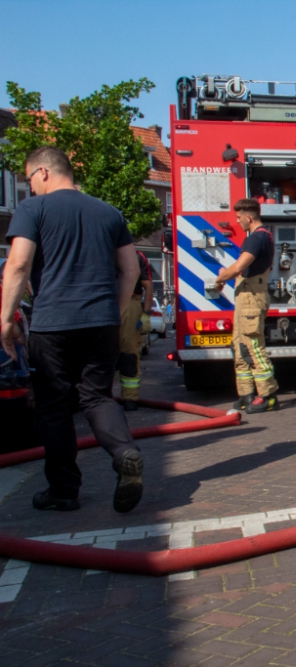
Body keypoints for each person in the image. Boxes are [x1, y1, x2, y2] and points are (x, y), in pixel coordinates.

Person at [0, 146, 144, 513]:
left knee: (54, 407)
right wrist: (113, 310)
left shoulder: (34, 209)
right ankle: (124, 451)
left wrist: (6, 318)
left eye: (29, 179)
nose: (29, 188)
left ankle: (64, 490)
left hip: (54, 324)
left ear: (44, 172)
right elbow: (131, 270)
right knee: (97, 396)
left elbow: (18, 265)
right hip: (101, 322)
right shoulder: (110, 212)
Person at [215, 198, 280, 413]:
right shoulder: (263, 237)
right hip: (247, 295)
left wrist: (220, 278)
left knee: (253, 347)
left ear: (248, 217)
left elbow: (240, 266)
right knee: (240, 346)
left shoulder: (256, 238)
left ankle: (268, 395)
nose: (237, 221)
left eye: (239, 217)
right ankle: (246, 394)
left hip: (251, 296)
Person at [118, 251, 153, 411]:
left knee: (129, 353)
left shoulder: (136, 256)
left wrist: (146, 313)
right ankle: (99, 398)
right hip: (105, 300)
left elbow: (147, 284)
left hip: (131, 302)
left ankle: (130, 398)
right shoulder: (99, 249)